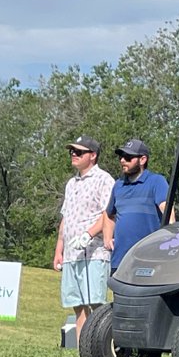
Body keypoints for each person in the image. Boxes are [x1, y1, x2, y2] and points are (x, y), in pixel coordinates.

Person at [53, 135, 115, 341]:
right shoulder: (71, 183)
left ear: (93, 155)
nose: (74, 155)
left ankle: (102, 351)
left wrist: (88, 235)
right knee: (78, 305)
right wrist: (59, 250)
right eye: (72, 151)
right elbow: (66, 216)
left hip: (94, 252)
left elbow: (108, 214)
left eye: (79, 152)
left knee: (96, 304)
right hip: (72, 254)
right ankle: (83, 353)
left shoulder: (104, 179)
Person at [103, 139, 173, 270]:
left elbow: (168, 213)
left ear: (142, 160)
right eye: (121, 156)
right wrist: (107, 238)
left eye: (128, 157)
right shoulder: (118, 185)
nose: (122, 160)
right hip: (120, 260)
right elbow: (108, 215)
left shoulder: (156, 181)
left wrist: (169, 240)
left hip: (149, 259)